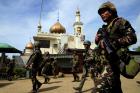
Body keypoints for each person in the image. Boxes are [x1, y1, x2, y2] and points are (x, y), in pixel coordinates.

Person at [92, 1, 137, 93]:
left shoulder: (120, 22)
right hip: (104, 63)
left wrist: (115, 42)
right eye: (100, 13)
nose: (102, 14)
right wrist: (99, 41)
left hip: (115, 62)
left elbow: (132, 38)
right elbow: (98, 42)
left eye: (104, 11)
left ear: (111, 11)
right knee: (115, 88)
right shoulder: (103, 28)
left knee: (99, 90)